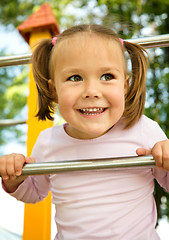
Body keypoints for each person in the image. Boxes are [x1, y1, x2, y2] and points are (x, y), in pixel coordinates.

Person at [0, 24, 169, 240]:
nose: (91, 92)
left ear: (125, 86)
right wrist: (15, 178)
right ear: (54, 90)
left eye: (107, 76)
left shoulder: (143, 129)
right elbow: (34, 192)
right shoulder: (48, 141)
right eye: (75, 78)